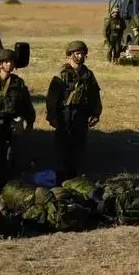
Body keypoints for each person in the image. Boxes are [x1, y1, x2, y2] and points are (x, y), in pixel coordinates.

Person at [0, 48, 35, 193]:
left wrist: (29, 121)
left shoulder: (18, 83)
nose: (9, 64)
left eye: (11, 62)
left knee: (11, 155)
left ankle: (7, 187)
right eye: (6, 62)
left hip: (12, 123)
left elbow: (26, 104)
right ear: (0, 64)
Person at [46, 41, 102, 183]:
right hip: (64, 115)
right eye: (77, 53)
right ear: (70, 55)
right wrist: (52, 117)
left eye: (82, 53)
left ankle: (74, 180)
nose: (80, 56)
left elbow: (95, 96)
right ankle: (60, 181)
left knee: (78, 149)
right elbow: (52, 98)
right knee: (62, 149)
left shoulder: (88, 75)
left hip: (81, 115)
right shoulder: (61, 75)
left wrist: (96, 114)